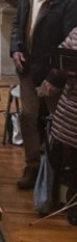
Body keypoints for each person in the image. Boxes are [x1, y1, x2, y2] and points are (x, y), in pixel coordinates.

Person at [10, 0, 77, 188]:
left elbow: (69, 42)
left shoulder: (67, 0)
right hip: (28, 68)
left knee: (58, 126)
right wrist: (16, 48)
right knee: (28, 118)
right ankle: (33, 166)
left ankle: (55, 173)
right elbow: (18, 24)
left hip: (51, 73)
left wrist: (54, 78)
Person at [50, 27, 77, 225]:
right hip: (72, 110)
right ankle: (72, 205)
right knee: (73, 162)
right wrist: (65, 68)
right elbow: (59, 61)